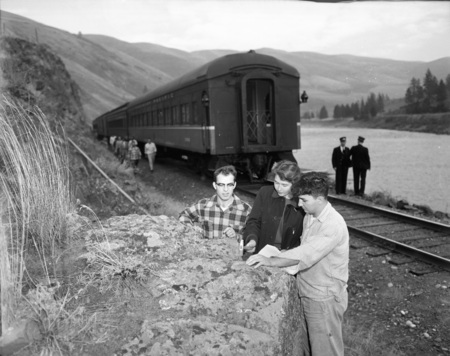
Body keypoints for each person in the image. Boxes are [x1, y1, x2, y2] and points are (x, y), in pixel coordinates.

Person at [246, 171, 349, 356]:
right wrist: (283, 253)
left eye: (304, 200)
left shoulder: (332, 225)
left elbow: (306, 254)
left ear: (319, 199)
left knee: (326, 351)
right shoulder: (311, 215)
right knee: (308, 349)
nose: (299, 204)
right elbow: (305, 246)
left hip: (323, 298)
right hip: (308, 291)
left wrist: (270, 260)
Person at [242, 160, 305, 254]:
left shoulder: (302, 201)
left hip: (289, 255)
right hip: (262, 252)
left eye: (284, 185)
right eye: (276, 182)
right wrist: (252, 239)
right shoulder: (264, 193)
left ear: (295, 184)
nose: (279, 188)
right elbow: (254, 221)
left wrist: (292, 252)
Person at [179, 165, 251, 239]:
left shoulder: (246, 211)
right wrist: (193, 232)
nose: (225, 189)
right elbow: (184, 215)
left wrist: (237, 236)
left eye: (229, 185)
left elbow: (253, 238)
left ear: (234, 185)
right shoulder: (203, 205)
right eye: (221, 185)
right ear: (215, 185)